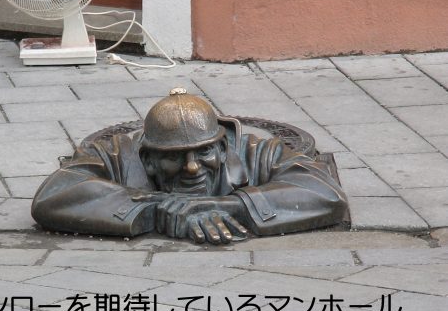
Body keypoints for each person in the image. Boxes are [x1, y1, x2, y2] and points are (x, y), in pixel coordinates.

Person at [32, 88, 347, 244]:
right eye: (174, 157)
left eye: (204, 152)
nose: (192, 168)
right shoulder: (118, 154)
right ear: (148, 159)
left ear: (222, 148)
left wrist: (227, 206)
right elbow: (53, 196)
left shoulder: (258, 152)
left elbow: (325, 193)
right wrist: (157, 209)